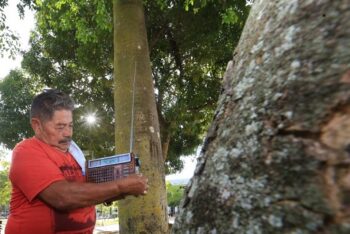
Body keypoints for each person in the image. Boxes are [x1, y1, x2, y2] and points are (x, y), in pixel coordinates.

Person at [5, 89, 148, 234]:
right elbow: (62, 198)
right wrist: (120, 187)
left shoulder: (75, 153)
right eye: (60, 126)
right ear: (37, 125)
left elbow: (88, 193)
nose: (68, 133)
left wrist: (127, 187)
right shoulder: (26, 151)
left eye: (70, 125)